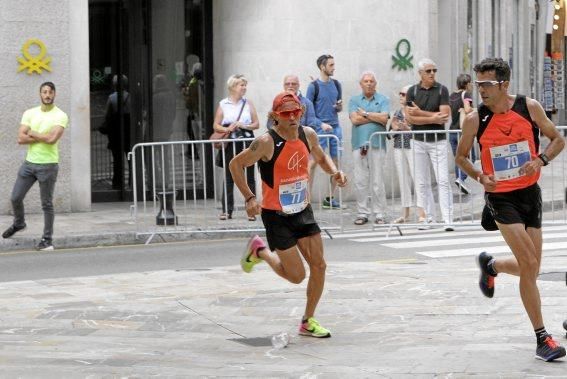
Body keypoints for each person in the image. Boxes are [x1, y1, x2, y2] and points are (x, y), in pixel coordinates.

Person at [455, 57, 566, 362]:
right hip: (501, 198)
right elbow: (461, 157)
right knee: (529, 262)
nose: (481, 90)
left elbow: (558, 139)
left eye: (487, 84)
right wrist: (480, 176)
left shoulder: (529, 108)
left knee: (532, 268)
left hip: (530, 194)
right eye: (479, 84)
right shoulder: (475, 120)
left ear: (504, 84)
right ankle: (542, 338)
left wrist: (540, 160)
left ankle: (492, 266)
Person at [229, 92, 347, 338]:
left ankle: (307, 321)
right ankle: (260, 251)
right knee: (296, 276)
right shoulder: (266, 142)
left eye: (296, 112)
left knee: (319, 265)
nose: (292, 117)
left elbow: (321, 157)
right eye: (286, 113)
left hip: (302, 211)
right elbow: (235, 164)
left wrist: (334, 172)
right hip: (277, 216)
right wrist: (250, 197)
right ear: (275, 117)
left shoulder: (308, 135)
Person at [2, 82, 69, 251]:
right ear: (40, 94)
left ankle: (47, 240)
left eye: (50, 92)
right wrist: (42, 136)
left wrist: (32, 133)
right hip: (29, 164)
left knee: (46, 204)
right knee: (15, 197)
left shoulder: (60, 115)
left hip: (48, 165)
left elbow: (52, 139)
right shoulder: (30, 113)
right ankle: (19, 223)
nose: (47, 95)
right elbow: (20, 139)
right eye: (44, 92)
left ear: (55, 94)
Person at [405, 58, 454, 231]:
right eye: (428, 71)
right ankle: (428, 218)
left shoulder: (442, 89)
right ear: (420, 73)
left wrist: (420, 113)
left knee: (442, 180)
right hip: (418, 141)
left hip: (438, 140)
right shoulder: (412, 91)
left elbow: (444, 116)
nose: (432, 73)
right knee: (421, 182)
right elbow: (410, 118)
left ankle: (448, 219)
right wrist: (432, 117)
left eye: (434, 70)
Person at [212, 74, 259, 221]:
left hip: (247, 141)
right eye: (241, 85)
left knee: (250, 177)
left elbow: (256, 124)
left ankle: (251, 210)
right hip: (230, 143)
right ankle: (227, 210)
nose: (244, 88)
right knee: (229, 175)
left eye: (245, 85)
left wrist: (243, 125)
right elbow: (216, 125)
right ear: (233, 87)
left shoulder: (248, 103)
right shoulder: (223, 104)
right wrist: (227, 129)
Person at [348, 71, 389, 225]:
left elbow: (384, 119)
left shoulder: (383, 99)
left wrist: (365, 113)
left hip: (377, 144)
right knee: (360, 180)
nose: (369, 83)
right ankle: (362, 213)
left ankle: (380, 213)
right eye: (366, 81)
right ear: (361, 84)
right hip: (359, 144)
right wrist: (374, 116)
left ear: (375, 83)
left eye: (372, 81)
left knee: (378, 181)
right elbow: (354, 119)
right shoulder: (354, 100)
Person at [306, 54, 343, 209]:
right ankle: (306, 200)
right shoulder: (313, 86)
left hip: (336, 128)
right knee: (313, 163)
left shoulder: (337, 84)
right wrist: (320, 124)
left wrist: (339, 107)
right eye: (331, 65)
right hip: (319, 130)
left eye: (334, 64)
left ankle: (329, 198)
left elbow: (339, 106)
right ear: (322, 67)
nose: (334, 68)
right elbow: (307, 110)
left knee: (336, 163)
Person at [390, 85, 426, 224]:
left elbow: (420, 130)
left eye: (404, 94)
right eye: (400, 93)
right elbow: (392, 126)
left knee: (417, 178)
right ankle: (405, 213)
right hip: (399, 146)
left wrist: (407, 128)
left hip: (413, 146)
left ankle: (422, 212)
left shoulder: (416, 111)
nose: (401, 96)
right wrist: (396, 127)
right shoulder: (398, 111)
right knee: (402, 179)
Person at [101, 74, 131, 189]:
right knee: (130, 157)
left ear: (114, 85)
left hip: (116, 133)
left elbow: (107, 115)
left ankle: (117, 182)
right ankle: (132, 182)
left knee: (117, 160)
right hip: (128, 132)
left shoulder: (112, 98)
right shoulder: (130, 97)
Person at [449, 73, 474, 195]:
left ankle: (460, 180)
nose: (472, 85)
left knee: (458, 158)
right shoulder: (466, 94)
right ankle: (461, 178)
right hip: (462, 132)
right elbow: (468, 109)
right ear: (467, 84)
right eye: (471, 83)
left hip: (452, 131)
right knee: (470, 157)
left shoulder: (452, 95)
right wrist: (476, 110)